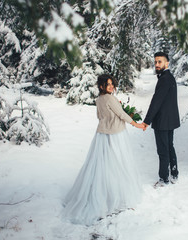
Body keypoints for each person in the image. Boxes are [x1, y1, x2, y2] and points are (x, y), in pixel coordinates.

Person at [62, 74, 144, 225]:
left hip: (102, 134)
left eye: (112, 84)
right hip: (115, 134)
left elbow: (100, 116)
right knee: (118, 163)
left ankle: (103, 192)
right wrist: (136, 124)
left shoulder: (99, 99)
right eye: (108, 84)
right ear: (101, 86)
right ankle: (114, 195)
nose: (111, 87)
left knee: (101, 164)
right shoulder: (110, 98)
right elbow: (121, 114)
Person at [143, 52, 180, 186]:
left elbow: (156, 102)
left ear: (167, 63)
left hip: (163, 121)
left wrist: (147, 120)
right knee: (169, 146)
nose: (157, 64)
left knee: (163, 150)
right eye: (156, 62)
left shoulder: (164, 79)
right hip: (169, 120)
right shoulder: (169, 77)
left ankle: (163, 178)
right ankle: (174, 173)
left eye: (160, 62)